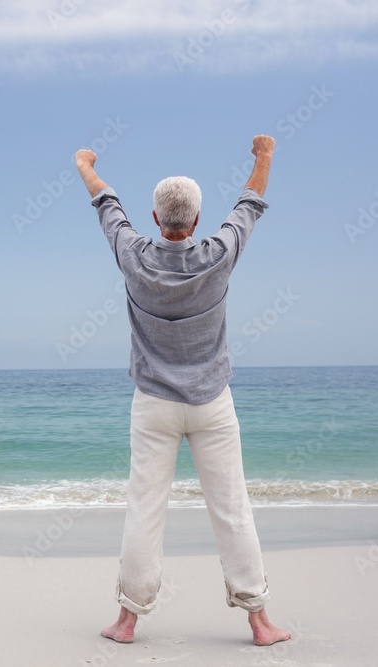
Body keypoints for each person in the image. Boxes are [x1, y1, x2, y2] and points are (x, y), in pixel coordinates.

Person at [74, 135, 291, 647]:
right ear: (195, 222)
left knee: (144, 509)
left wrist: (85, 164)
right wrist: (263, 156)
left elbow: (107, 205)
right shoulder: (218, 254)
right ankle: (259, 622)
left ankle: (127, 622)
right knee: (232, 507)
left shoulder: (133, 255)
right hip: (212, 401)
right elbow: (250, 205)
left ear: (156, 218)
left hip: (154, 404)